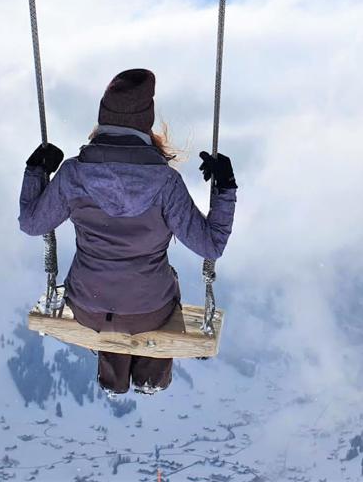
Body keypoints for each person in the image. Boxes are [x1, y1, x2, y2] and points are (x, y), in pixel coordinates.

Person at [18, 68, 237, 395]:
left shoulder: (73, 175)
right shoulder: (166, 183)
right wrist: (226, 187)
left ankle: (113, 376)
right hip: (150, 310)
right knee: (156, 286)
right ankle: (151, 376)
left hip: (86, 306)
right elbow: (211, 245)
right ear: (146, 123)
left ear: (102, 118)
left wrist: (36, 169)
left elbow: (32, 224)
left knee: (106, 292)